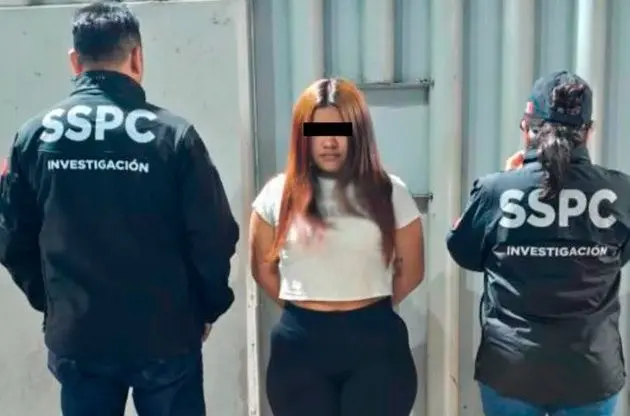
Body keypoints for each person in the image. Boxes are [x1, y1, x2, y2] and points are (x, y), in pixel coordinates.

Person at [0, 2, 239, 415]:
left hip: (79, 336)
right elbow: (213, 236)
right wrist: (206, 306)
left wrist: (54, 303)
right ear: (137, 58)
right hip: (166, 336)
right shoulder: (173, 136)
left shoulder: (34, 136)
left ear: (75, 62)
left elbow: (12, 237)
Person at [447, 70, 629, 416]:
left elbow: (465, 252)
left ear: (527, 129)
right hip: (590, 370)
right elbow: (619, 256)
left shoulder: (496, 191)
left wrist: (509, 183)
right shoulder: (621, 192)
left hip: (511, 369)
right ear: (588, 132)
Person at [248, 77, 425, 416]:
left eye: (341, 130)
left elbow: (412, 270)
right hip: (300, 346)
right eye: (318, 131)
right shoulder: (276, 194)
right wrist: (308, 307)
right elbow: (263, 269)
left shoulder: (391, 192)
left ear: (359, 133)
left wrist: (365, 306)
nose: (329, 142)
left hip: (376, 344)